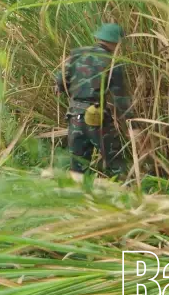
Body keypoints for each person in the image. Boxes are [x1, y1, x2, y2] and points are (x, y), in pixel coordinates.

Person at [54, 23, 133, 182]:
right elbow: (120, 100)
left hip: (74, 116)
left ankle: (76, 201)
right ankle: (124, 196)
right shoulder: (112, 62)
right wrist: (134, 126)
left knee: (77, 165)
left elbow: (59, 82)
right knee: (114, 160)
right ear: (115, 42)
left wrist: (63, 88)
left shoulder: (76, 55)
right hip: (96, 117)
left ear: (98, 38)